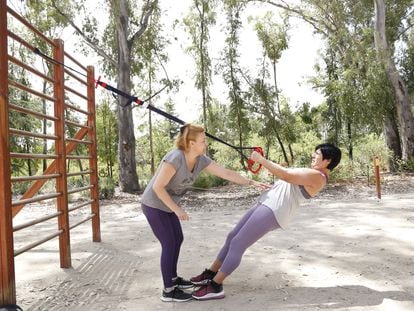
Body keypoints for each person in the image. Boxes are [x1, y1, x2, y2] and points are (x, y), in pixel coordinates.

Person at [191, 143, 341, 300]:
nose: (313, 155)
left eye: (317, 154)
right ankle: (211, 273)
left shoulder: (318, 176)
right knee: (232, 236)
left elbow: (286, 175)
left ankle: (215, 286)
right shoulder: (313, 172)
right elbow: (288, 179)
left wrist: (261, 160)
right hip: (268, 203)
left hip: (275, 210)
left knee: (238, 243)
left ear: (327, 160)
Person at [140, 123, 269, 302]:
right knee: (169, 242)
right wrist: (177, 210)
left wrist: (251, 183)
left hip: (168, 206)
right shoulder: (175, 158)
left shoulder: (201, 159)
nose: (205, 143)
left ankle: (172, 279)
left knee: (177, 239)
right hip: (154, 204)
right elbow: (158, 187)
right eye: (202, 140)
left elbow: (226, 173)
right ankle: (168, 291)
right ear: (191, 143)